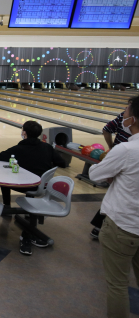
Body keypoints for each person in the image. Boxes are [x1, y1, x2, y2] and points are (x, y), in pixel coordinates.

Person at [89, 96, 139, 318]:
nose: (123, 116)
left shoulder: (126, 150)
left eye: (126, 113)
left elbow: (95, 174)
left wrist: (110, 160)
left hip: (123, 226)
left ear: (133, 120)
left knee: (118, 286)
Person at [0, 120, 66, 255]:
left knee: (4, 177)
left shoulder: (18, 149)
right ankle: (21, 210)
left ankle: (7, 207)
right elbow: (62, 163)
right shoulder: (47, 147)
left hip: (24, 186)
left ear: (24, 133)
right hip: (42, 187)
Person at [91, 99, 133, 239]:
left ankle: (99, 227)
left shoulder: (125, 149)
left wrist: (111, 148)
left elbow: (106, 129)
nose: (124, 111)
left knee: (118, 192)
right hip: (119, 160)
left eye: (127, 109)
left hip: (118, 160)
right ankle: (99, 227)